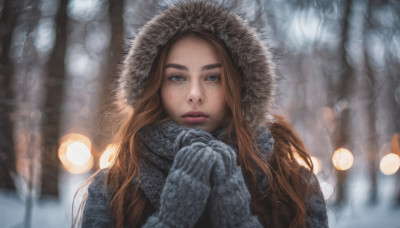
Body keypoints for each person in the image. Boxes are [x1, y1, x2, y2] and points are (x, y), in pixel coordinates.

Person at [77, 1, 328, 227]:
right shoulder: (114, 188)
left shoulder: (294, 184)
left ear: (241, 86)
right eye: (177, 77)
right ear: (153, 87)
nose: (195, 94)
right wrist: (171, 221)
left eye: (213, 77)